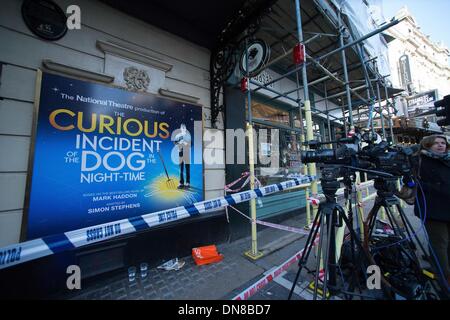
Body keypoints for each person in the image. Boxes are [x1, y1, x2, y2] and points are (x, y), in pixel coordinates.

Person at [414, 135, 450, 289]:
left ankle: (440, 269)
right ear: (427, 145)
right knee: (439, 243)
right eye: (436, 143)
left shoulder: (447, 159)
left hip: (447, 206)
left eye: (443, 143)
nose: (441, 145)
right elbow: (414, 182)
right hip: (433, 208)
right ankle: (445, 277)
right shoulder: (419, 161)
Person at [173, 124, 191, 189]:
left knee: (187, 168)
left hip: (187, 153)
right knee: (181, 169)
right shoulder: (178, 135)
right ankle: (181, 183)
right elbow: (175, 143)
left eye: (184, 128)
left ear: (186, 129)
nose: (183, 129)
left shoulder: (188, 136)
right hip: (180, 153)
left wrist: (186, 143)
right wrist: (179, 143)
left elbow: (191, 144)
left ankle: (188, 183)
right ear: (180, 128)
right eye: (182, 128)